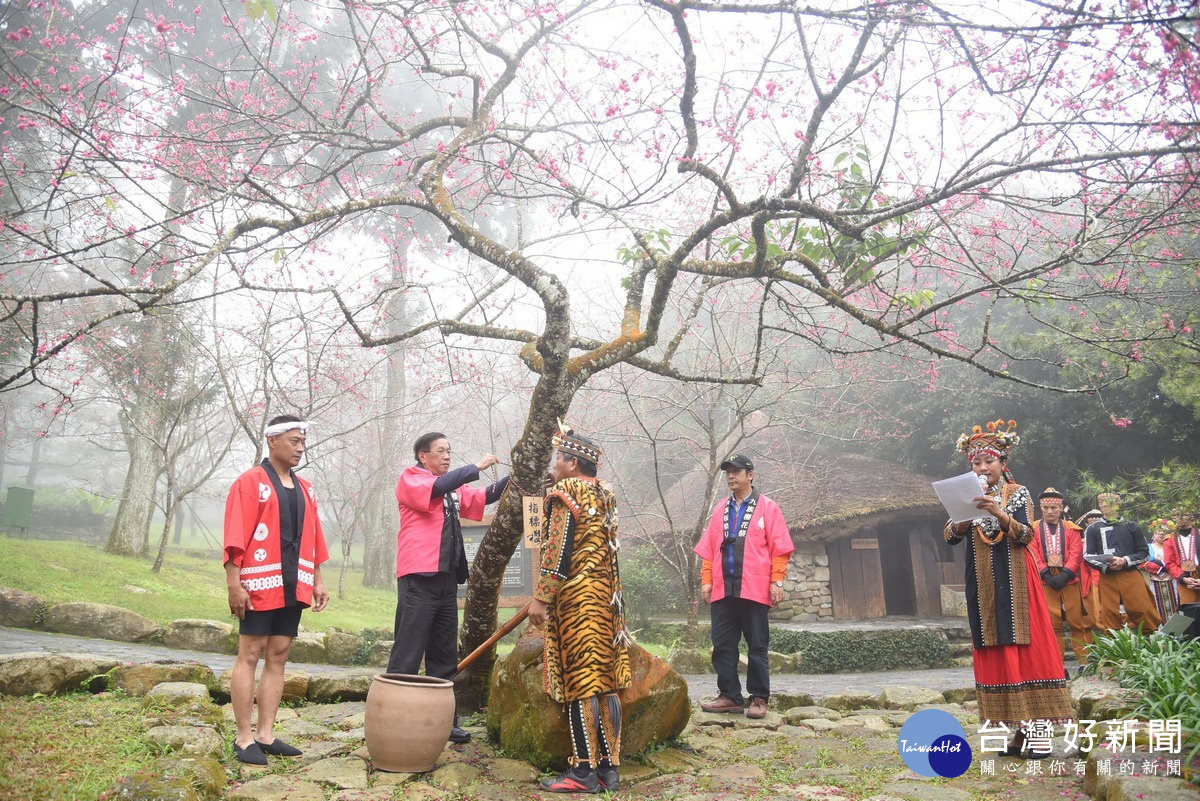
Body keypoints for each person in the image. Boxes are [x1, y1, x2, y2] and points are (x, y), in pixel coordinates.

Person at [944, 420, 1073, 755]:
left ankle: (1039, 732)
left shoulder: (1018, 493)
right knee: (996, 650)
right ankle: (1018, 732)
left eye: (989, 461)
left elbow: (1026, 536)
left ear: (1002, 463)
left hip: (1017, 580)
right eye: (976, 462)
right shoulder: (966, 495)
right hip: (983, 581)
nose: (983, 467)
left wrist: (998, 513)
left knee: (1027, 651)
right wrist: (961, 518)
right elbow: (950, 535)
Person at [386, 431, 508, 744]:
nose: (446, 456)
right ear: (422, 456)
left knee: (444, 656)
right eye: (440, 451)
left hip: (445, 581)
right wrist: (476, 466)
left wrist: (518, 477)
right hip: (418, 578)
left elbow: (484, 497)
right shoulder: (412, 479)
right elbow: (438, 486)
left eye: (449, 451)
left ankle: (444, 722)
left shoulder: (454, 489)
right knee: (408, 652)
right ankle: (393, 721)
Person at [528, 423, 630, 794]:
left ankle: (583, 771)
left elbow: (557, 553)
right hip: (607, 597)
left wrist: (542, 596)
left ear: (572, 462)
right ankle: (610, 769)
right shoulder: (605, 495)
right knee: (607, 680)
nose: (554, 465)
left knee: (581, 680)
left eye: (558, 458)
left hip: (577, 599)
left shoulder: (565, 491)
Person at [223, 415, 330, 765]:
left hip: (293, 581)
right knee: (250, 652)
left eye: (303, 442)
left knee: (279, 654)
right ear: (272, 441)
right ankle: (243, 737)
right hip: (258, 582)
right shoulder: (251, 482)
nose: (300, 448)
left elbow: (313, 535)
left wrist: (317, 578)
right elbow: (236, 533)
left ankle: (266, 734)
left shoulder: (306, 488)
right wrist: (233, 583)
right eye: (294, 441)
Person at [694, 453, 793, 721]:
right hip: (723, 589)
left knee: (757, 646)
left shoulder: (768, 508)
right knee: (723, 645)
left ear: (750, 475)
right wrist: (706, 581)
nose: (730, 476)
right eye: (727, 472)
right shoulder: (720, 509)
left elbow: (780, 549)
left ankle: (759, 698)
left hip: (755, 588)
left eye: (736, 471)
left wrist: (777, 581)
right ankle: (729, 696)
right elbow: (709, 550)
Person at [1028, 488, 1092, 666]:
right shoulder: (1033, 528)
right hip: (1046, 581)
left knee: (1076, 622)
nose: (1049, 512)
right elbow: (1033, 552)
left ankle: (1083, 662)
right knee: (1053, 624)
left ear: (1061, 507)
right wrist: (1046, 574)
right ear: (1041, 507)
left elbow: (1076, 553)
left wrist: (1066, 573)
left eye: (1054, 508)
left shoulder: (1072, 529)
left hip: (1069, 580)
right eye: (1046, 508)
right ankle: (1057, 665)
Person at [1082, 492, 1161, 633]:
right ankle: (1116, 651)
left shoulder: (1131, 526)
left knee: (1143, 610)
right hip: (1107, 577)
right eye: (1102, 504)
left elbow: (1144, 553)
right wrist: (1106, 565)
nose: (1106, 507)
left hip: (1130, 574)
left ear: (1118, 505)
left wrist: (1124, 560)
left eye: (1110, 503)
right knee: (1109, 614)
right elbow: (1087, 556)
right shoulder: (1092, 529)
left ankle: (1150, 643)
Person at [1142, 518, 1180, 623]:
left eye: (1164, 532)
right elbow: (1142, 562)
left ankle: (1179, 634)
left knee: (1175, 603)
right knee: (1157, 606)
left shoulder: (1173, 546)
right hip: (1154, 581)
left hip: (1173, 580)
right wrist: (1158, 566)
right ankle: (1160, 634)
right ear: (1153, 535)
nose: (1161, 535)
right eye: (1159, 533)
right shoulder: (1148, 547)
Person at [1163, 511, 1200, 606]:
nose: (1179, 518)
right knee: (1190, 612)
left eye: (1183, 514)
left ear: (1191, 516)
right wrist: (1183, 578)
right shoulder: (1169, 539)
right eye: (1176, 515)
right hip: (1185, 579)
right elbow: (1169, 563)